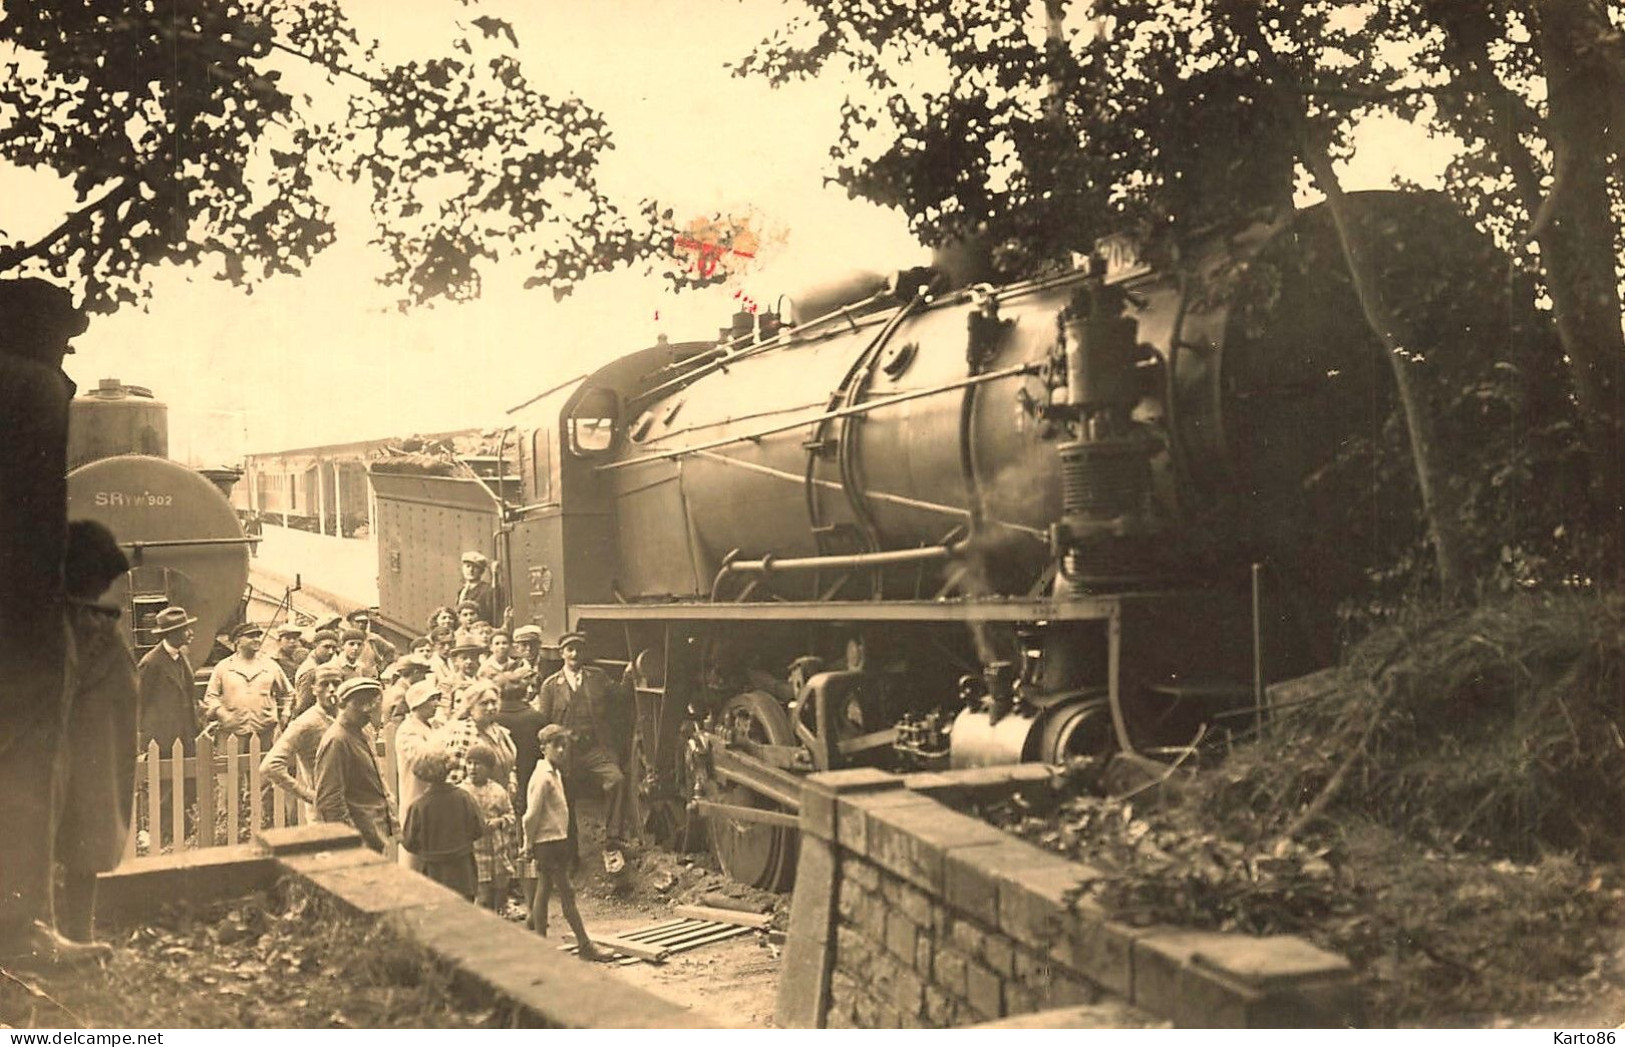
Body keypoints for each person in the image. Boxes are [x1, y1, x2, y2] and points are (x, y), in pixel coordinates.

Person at [53, 520, 141, 952]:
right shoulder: (84, 632)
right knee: (75, 839)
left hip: (91, 750)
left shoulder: (91, 630)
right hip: (82, 751)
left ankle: (75, 933)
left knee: (79, 839)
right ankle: (69, 933)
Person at [534, 631, 630, 873]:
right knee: (565, 799)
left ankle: (612, 843)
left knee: (616, 779)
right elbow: (544, 724)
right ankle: (570, 854)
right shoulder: (550, 685)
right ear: (561, 654)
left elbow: (620, 697)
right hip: (565, 753)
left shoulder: (597, 677)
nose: (574, 654)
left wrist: (630, 675)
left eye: (578, 649)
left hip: (595, 748)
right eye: (570, 649)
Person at [524, 725, 604, 961]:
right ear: (543, 749)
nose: (561, 750)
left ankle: (539, 940)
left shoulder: (555, 773)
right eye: (555, 745)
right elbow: (530, 816)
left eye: (564, 746)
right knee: (567, 893)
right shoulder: (542, 778)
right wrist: (528, 843)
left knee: (544, 888)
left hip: (557, 840)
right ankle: (584, 944)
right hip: (547, 842)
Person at [313, 677, 394, 852]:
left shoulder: (361, 733)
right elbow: (329, 801)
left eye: (370, 703)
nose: (367, 710)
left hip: (374, 833)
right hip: (359, 839)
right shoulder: (337, 740)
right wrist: (350, 840)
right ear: (343, 705)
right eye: (359, 704)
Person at [259, 664, 345, 823]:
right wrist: (309, 795)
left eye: (336, 683)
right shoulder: (306, 723)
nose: (331, 689)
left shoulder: (349, 718)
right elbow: (270, 766)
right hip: (324, 814)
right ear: (314, 689)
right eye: (324, 684)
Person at [400, 750, 483, 900]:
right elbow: (478, 829)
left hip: (434, 873)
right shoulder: (464, 798)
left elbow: (409, 842)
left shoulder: (419, 806)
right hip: (462, 872)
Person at [495, 676, 548, 910]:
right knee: (528, 828)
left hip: (506, 780)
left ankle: (512, 881)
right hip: (532, 777)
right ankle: (531, 879)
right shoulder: (536, 718)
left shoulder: (495, 718)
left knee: (507, 831)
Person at [203, 622, 290, 749]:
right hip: (232, 731)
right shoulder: (224, 667)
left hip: (265, 729)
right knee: (232, 767)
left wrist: (285, 713)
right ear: (237, 640)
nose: (256, 640)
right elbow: (211, 696)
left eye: (258, 636)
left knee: (263, 767)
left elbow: (288, 693)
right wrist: (222, 713)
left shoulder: (270, 665)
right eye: (250, 636)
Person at [394, 679, 447, 869]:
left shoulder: (435, 726)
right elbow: (424, 759)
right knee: (414, 858)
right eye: (431, 699)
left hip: (435, 799)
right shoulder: (407, 731)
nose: (436, 704)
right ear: (418, 703)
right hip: (416, 797)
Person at [136, 606, 199, 753]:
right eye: (185, 630)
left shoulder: (182, 656)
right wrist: (143, 740)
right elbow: (139, 703)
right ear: (171, 634)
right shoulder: (151, 663)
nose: (191, 633)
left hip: (187, 737)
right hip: (162, 741)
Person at [461, 743, 516, 911]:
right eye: (469, 763)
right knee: (481, 897)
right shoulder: (462, 792)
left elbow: (511, 816)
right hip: (475, 854)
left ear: (489, 768)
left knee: (499, 895)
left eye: (478, 764)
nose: (473, 768)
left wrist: (499, 822)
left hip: (498, 853)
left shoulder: (498, 791)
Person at [438, 680, 516, 790]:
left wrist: (512, 782)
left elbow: (510, 765)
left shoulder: (500, 731)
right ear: (470, 708)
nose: (490, 707)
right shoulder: (464, 731)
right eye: (484, 703)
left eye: (494, 702)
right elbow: (455, 778)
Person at [380, 654, 434, 725]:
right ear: (416, 672)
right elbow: (398, 724)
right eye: (423, 673)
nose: (424, 678)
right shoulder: (403, 694)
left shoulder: (394, 689)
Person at [345, 607, 398, 678]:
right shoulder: (344, 639)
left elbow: (391, 650)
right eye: (358, 622)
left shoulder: (373, 639)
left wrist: (381, 667)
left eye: (364, 622)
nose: (361, 625)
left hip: (371, 678)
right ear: (351, 622)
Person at [455, 550, 497, 628]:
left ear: (481, 571)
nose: (471, 570)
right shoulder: (462, 591)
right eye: (468, 566)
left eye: (475, 567)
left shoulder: (487, 590)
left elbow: (492, 615)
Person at [269, 624, 307, 706]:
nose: (292, 641)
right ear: (279, 641)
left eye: (295, 638)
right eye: (288, 638)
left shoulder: (304, 658)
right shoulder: (274, 662)